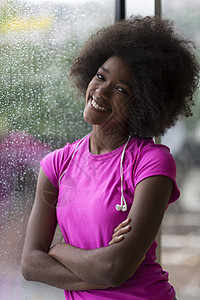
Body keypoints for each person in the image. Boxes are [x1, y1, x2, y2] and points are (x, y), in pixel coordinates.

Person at [21, 16, 199, 300]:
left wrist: (58, 251)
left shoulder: (151, 162)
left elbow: (115, 268)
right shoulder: (56, 164)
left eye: (120, 90)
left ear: (143, 104)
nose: (101, 91)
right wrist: (102, 272)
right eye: (101, 76)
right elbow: (31, 264)